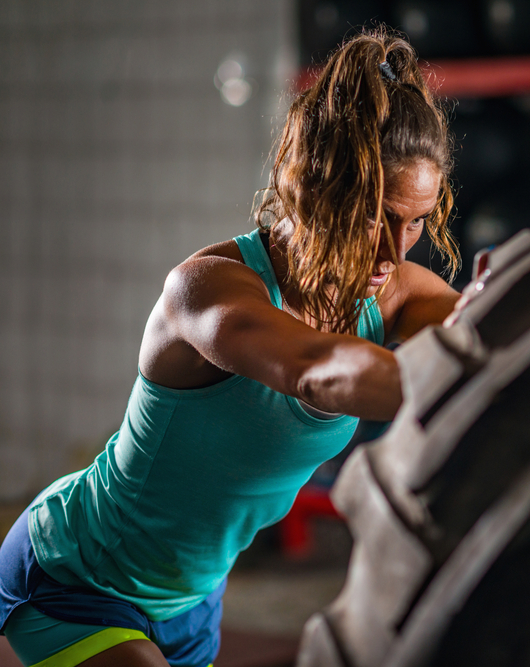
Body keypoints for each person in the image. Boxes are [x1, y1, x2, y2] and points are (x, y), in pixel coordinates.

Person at [0, 28, 461, 667]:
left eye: (414, 222)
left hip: (192, 601)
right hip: (78, 573)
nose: (394, 251)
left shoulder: (399, 295)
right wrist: (464, 377)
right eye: (372, 217)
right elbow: (310, 367)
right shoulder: (208, 288)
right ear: (315, 186)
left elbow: (488, 331)